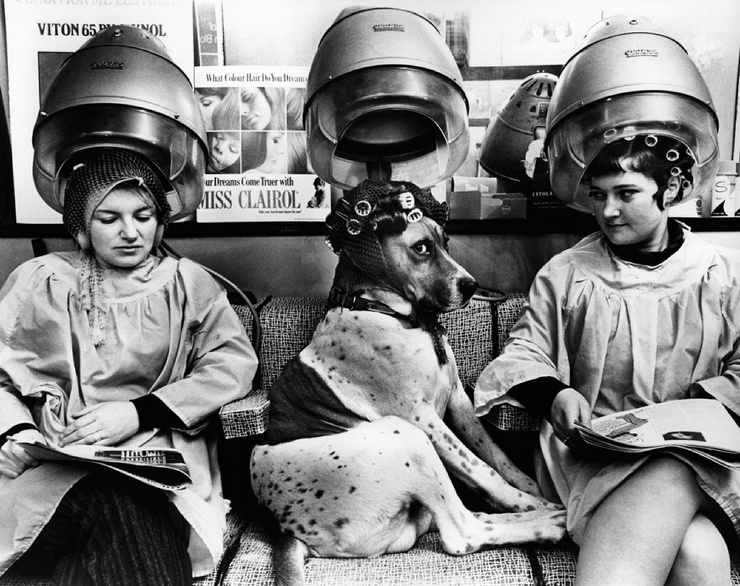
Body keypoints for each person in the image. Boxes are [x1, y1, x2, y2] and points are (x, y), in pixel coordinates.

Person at [474, 135, 740, 586]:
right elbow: (524, 352)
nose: (609, 211)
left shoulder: (723, 274)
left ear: (671, 189)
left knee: (674, 463)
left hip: (702, 455)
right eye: (598, 195)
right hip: (596, 457)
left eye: (626, 193)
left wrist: (702, 404)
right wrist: (555, 395)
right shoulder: (568, 273)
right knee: (696, 551)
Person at [0, 149, 258, 585]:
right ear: (81, 228)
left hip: (157, 468)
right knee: (118, 506)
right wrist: (18, 433)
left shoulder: (188, 283)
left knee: (126, 505)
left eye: (143, 216)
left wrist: (139, 412)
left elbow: (231, 366)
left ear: (160, 223)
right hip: (54, 468)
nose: (130, 232)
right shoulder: (40, 280)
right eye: (109, 219)